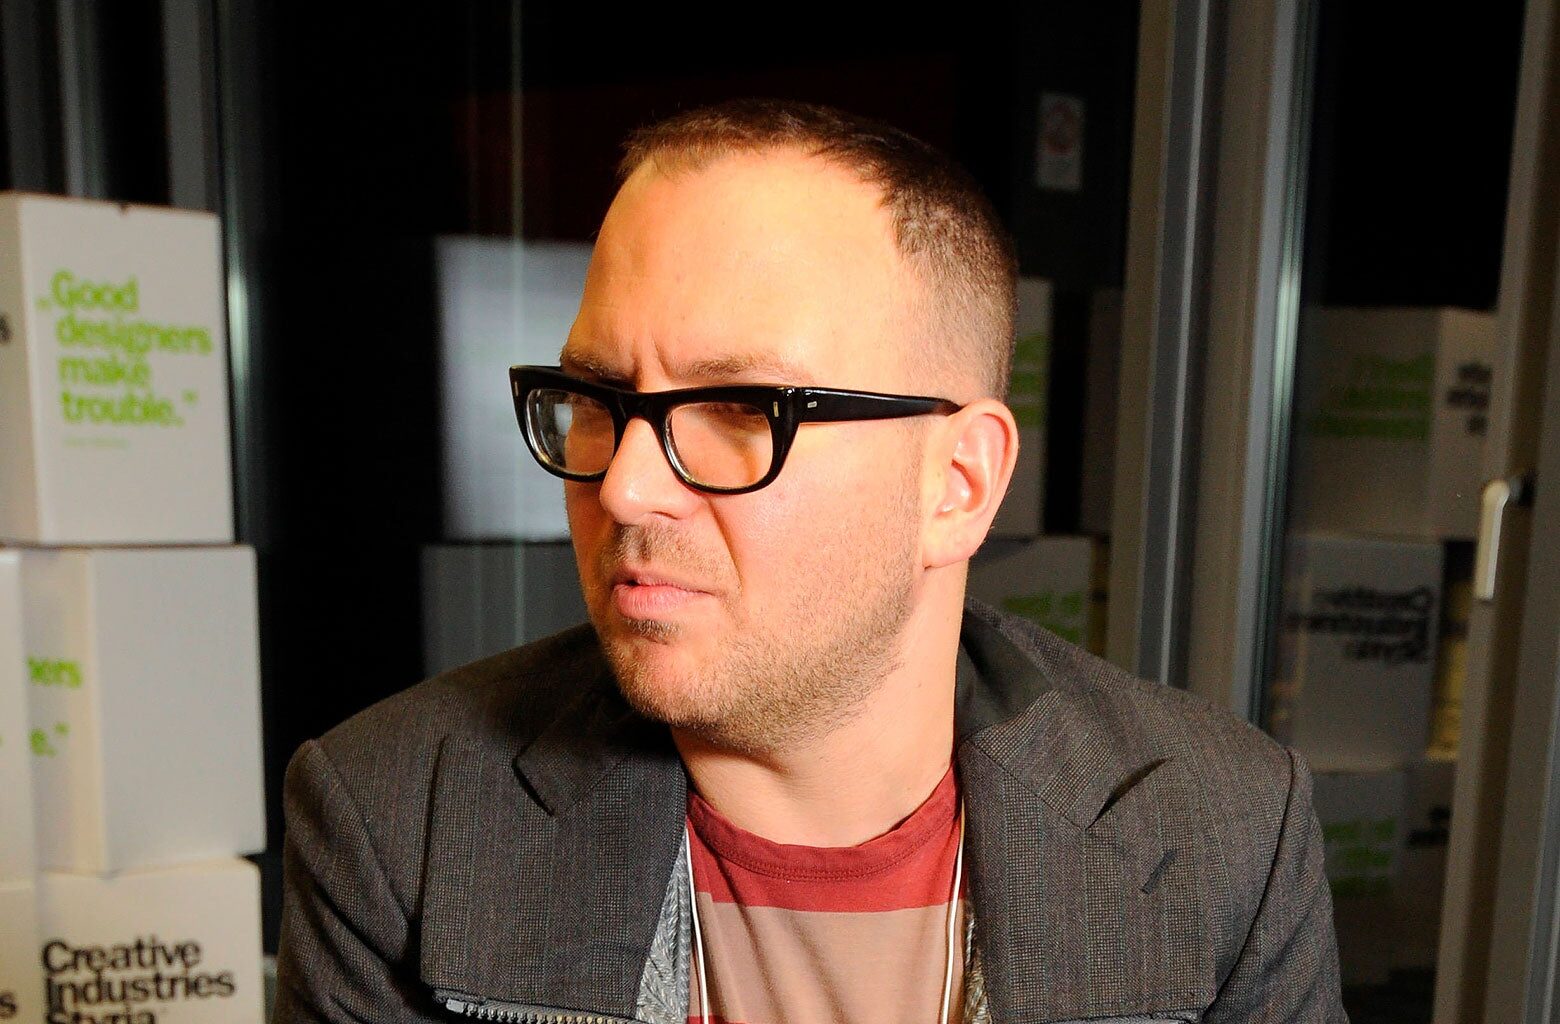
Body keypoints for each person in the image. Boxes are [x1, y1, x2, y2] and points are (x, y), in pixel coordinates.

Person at [272, 100, 1346, 1024]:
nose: (625, 488)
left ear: (958, 483)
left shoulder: (1223, 837)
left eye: (742, 409)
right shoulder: (400, 826)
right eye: (598, 400)